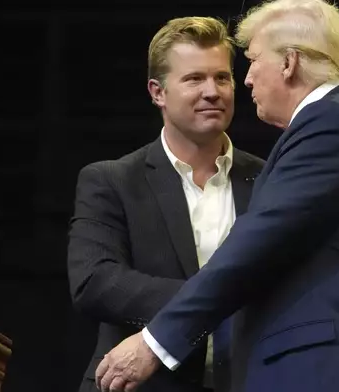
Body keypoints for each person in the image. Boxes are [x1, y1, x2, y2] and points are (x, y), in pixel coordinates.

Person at [95, 1, 339, 392]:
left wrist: (155, 343)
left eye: (252, 61)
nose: (247, 78)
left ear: (289, 63)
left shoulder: (332, 122)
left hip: (331, 368)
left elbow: (255, 246)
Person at [67, 16, 265, 392]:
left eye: (222, 77)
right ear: (157, 92)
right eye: (194, 79)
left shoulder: (271, 179)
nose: (213, 91)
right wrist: (215, 301)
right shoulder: (111, 179)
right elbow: (95, 282)